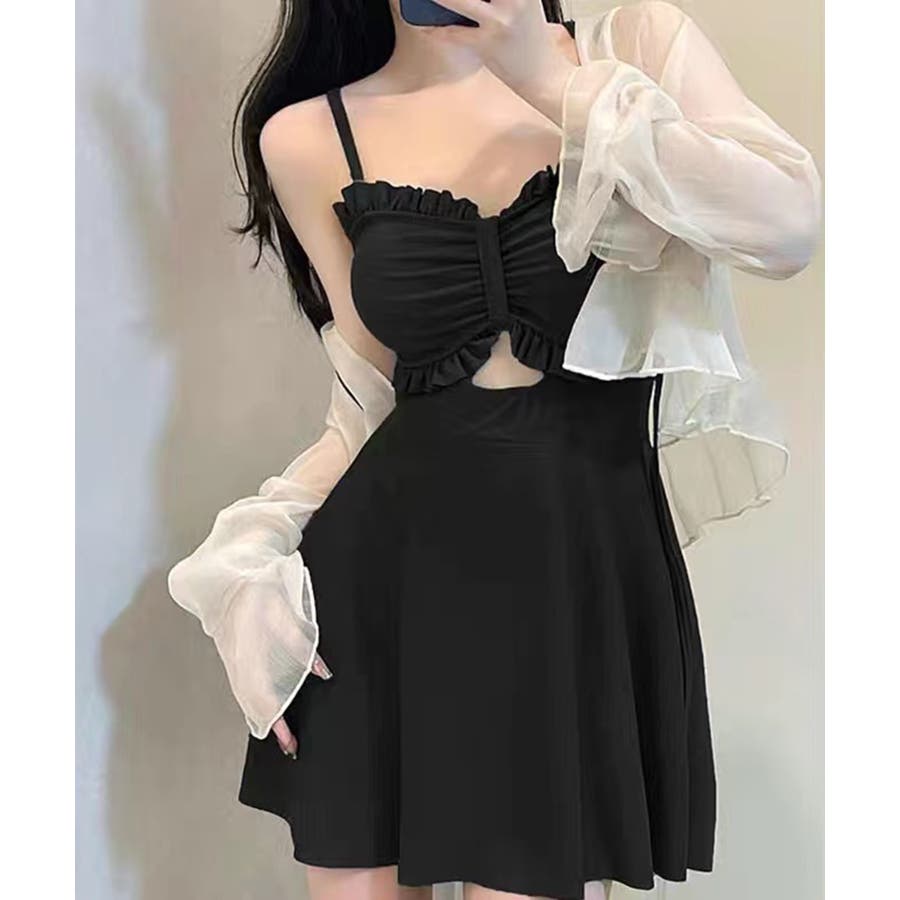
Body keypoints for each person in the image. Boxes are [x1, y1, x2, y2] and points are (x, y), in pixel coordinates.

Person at [167, 2, 822, 898]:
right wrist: (249, 564)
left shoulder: (630, 45)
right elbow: (367, 408)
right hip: (382, 594)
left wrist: (548, 79)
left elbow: (787, 227)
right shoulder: (310, 136)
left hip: (569, 582)